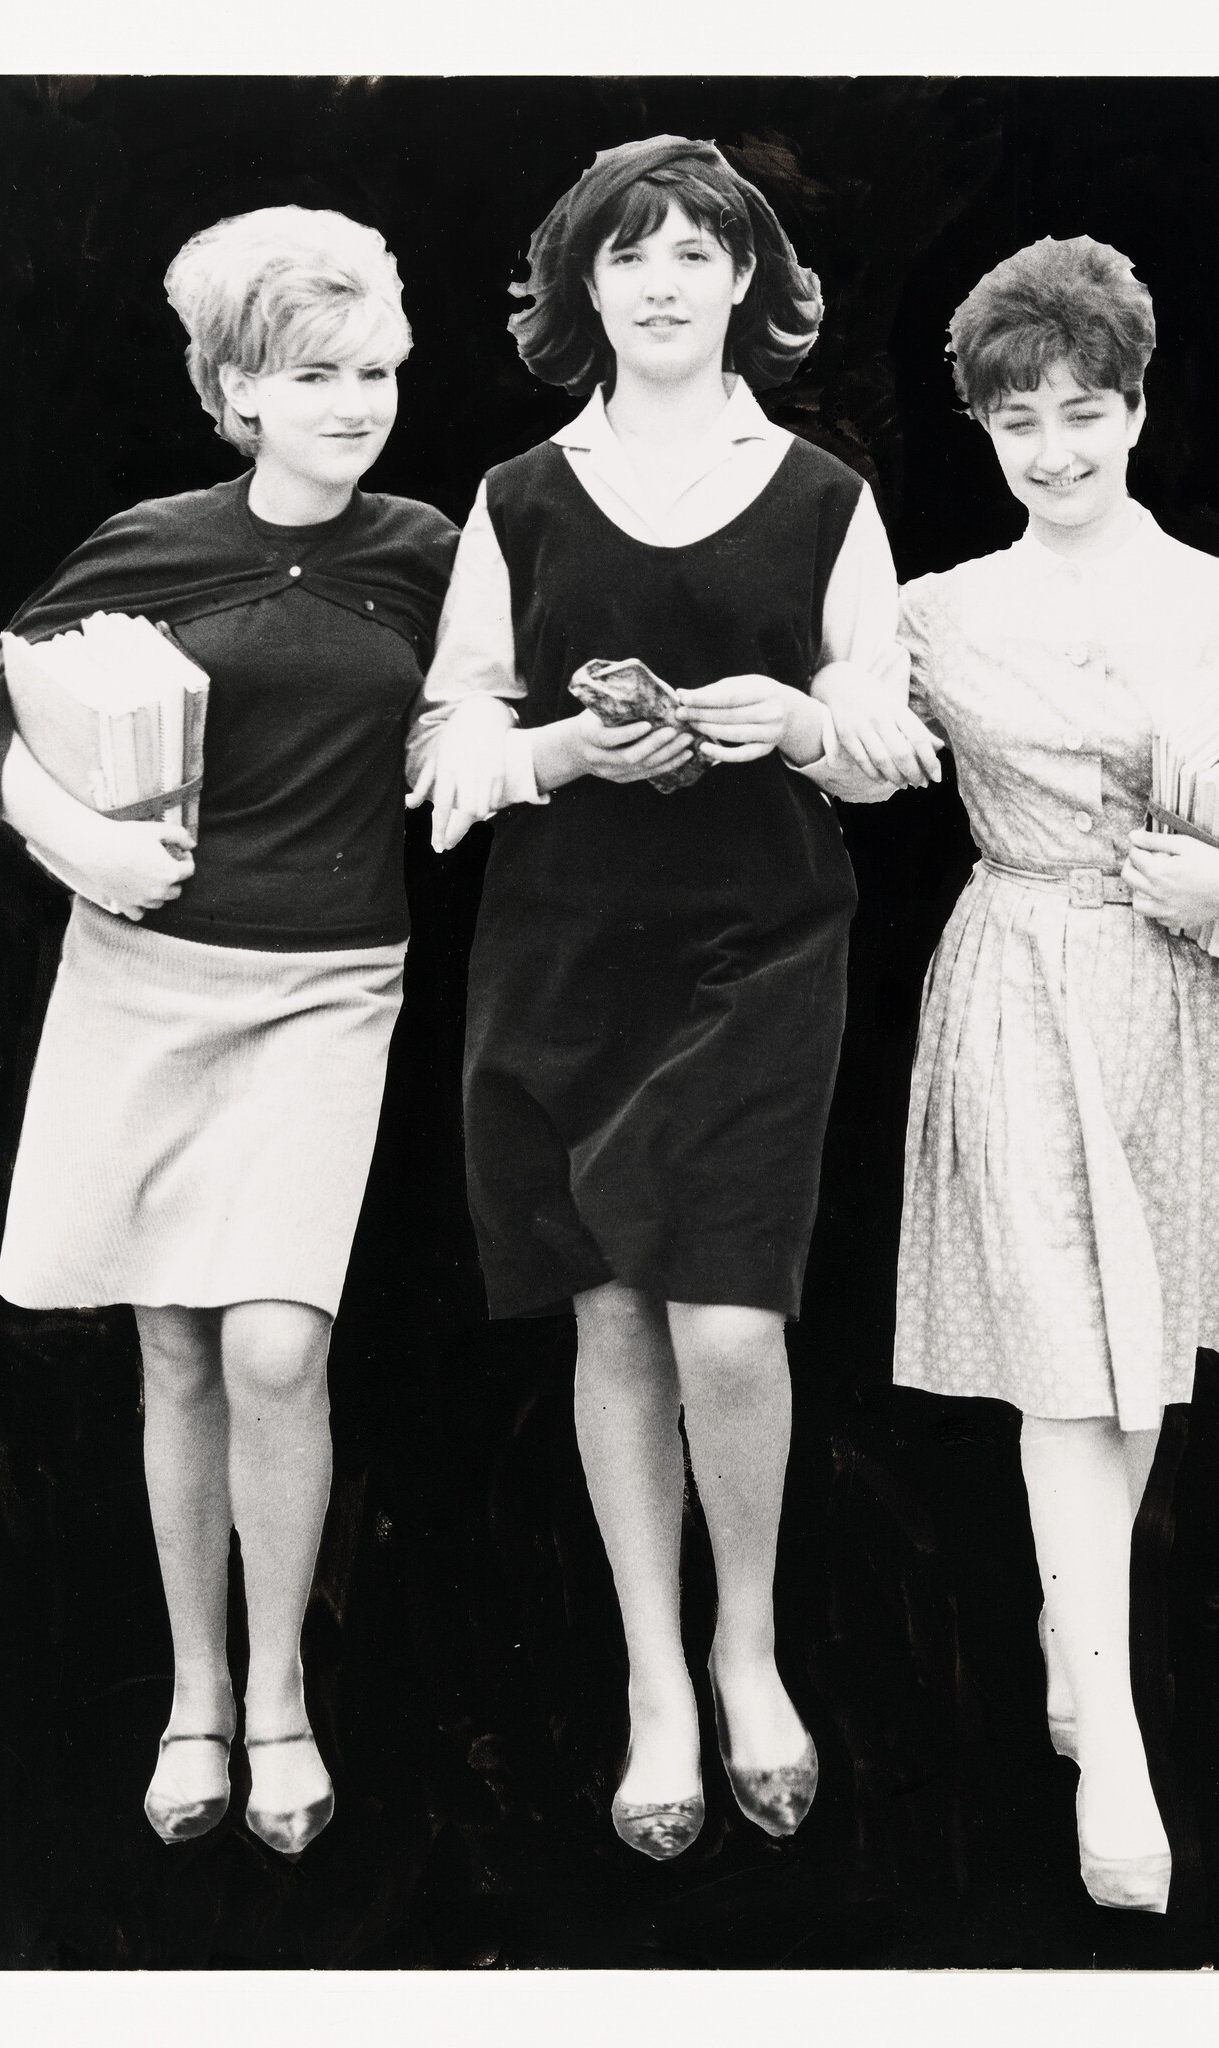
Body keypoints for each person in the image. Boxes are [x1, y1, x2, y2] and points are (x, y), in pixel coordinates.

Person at [408, 135, 937, 1859]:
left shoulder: (825, 493)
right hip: (565, 949)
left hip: (759, 943)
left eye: (693, 251)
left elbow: (887, 741)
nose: (656, 278)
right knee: (613, 1314)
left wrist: (793, 723)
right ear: (582, 290)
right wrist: (558, 747)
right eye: (624, 253)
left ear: (743, 285)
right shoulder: (514, 497)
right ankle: (652, 1678)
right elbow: (449, 733)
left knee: (726, 1319)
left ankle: (748, 1647)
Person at [891, 236, 1219, 1913]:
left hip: (1188, 1002)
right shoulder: (933, 610)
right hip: (1020, 981)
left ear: (1136, 405)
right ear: (981, 429)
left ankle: (1073, 1630)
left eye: (1084, 408)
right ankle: (1109, 1741)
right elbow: (852, 738)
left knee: (1136, 1362)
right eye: (1017, 418)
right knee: (1070, 1364)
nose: (1054, 448)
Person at [0, 206, 458, 1854]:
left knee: (274, 1339)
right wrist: (74, 836)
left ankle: (283, 1694)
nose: (355, 401)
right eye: (315, 372)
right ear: (235, 386)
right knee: (172, 1342)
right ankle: (200, 1697)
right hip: (141, 979)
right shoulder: (148, 543)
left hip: (332, 985)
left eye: (379, 369)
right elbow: (11, 717)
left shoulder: (427, 548)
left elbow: (489, 711)